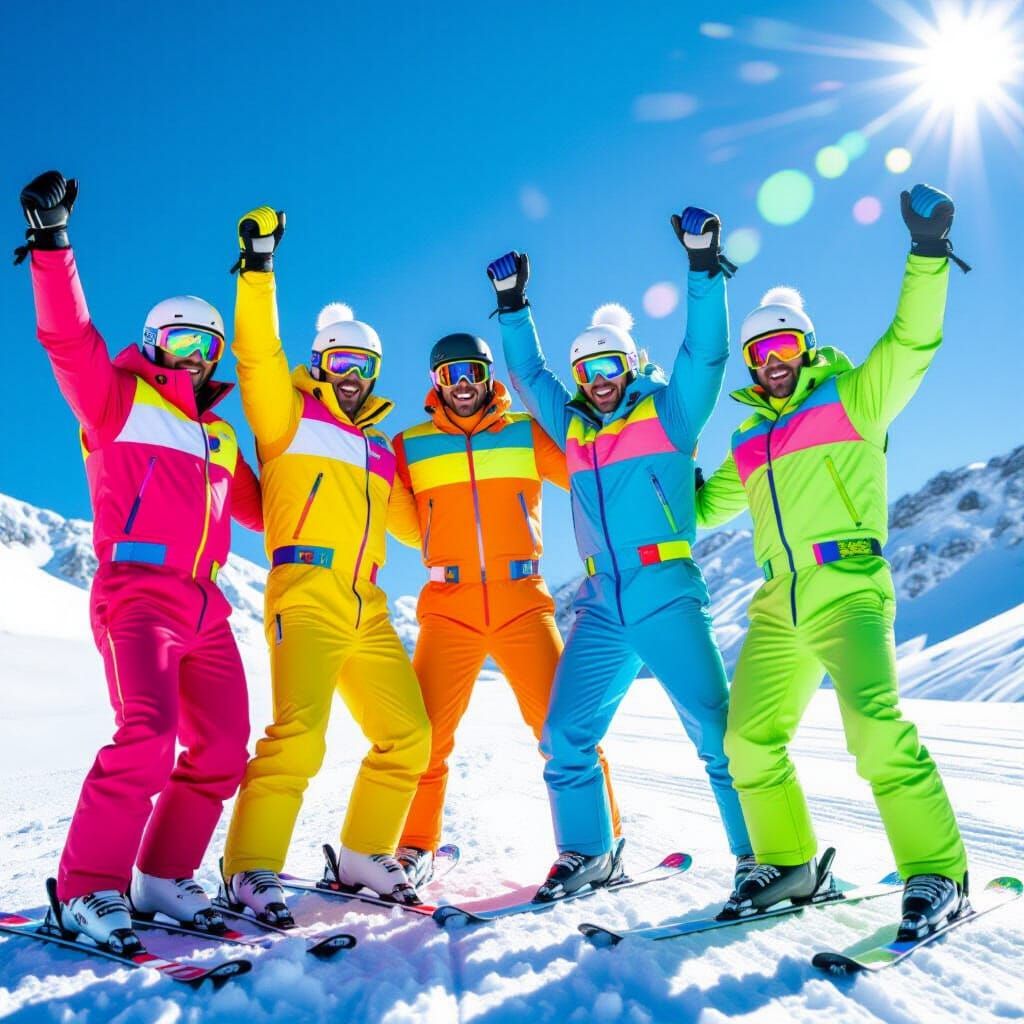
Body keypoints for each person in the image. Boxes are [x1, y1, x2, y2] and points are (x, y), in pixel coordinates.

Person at [696, 184, 969, 938]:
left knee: (874, 727)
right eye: (761, 354)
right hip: (777, 599)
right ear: (751, 366)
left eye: (784, 348)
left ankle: (937, 871)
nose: (774, 363)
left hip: (848, 585)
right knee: (748, 739)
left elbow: (911, 343)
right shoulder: (747, 442)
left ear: (804, 349)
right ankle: (785, 862)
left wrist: (928, 254)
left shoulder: (854, 399)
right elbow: (699, 508)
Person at [15, 170, 264, 952]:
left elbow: (274, 506)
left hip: (206, 605)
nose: (192, 356)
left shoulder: (220, 436)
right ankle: (87, 890)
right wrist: (55, 246)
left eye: (206, 345)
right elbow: (67, 339)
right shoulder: (117, 399)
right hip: (137, 595)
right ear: (155, 344)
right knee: (148, 735)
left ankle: (162, 877)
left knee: (224, 748)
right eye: (178, 342)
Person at [488, 206, 753, 900]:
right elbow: (527, 375)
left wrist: (702, 267)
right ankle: (588, 852)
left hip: (665, 586)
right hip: (602, 601)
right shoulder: (574, 429)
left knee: (716, 734)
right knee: (565, 732)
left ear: (630, 364)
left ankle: (762, 857)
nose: (595, 377)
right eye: (585, 369)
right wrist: (514, 307)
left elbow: (708, 354)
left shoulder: (670, 413)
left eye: (607, 364)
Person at [219, 207, 430, 923]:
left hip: (367, 603)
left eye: (362, 368)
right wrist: (258, 266)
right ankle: (249, 868)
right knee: (299, 736)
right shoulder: (287, 419)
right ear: (320, 365)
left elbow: (414, 525)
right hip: (304, 590)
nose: (350, 377)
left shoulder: (379, 449)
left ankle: (367, 853)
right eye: (339, 363)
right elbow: (255, 356)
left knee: (410, 735)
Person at [391, 333, 621, 885]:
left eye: (472, 372)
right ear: (436, 383)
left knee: (563, 727)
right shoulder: (410, 445)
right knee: (427, 735)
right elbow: (396, 516)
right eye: (451, 376)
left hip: (523, 600)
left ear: (487, 374)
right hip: (449, 603)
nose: (464, 385)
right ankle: (413, 846)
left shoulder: (522, 432)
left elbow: (586, 471)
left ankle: (602, 841)